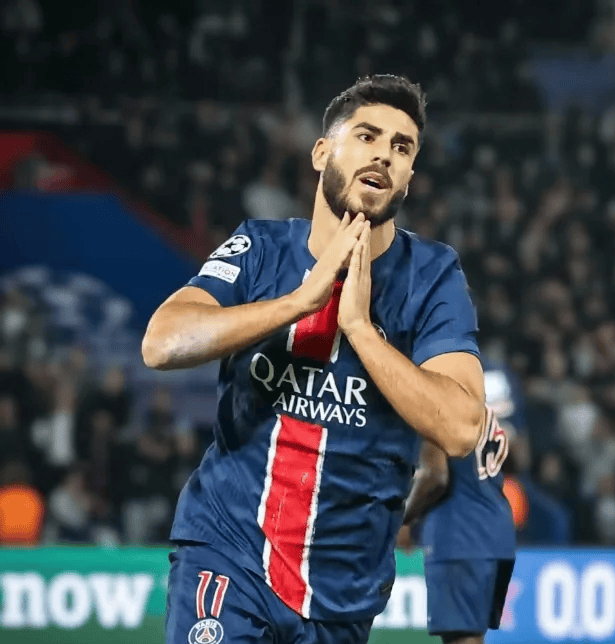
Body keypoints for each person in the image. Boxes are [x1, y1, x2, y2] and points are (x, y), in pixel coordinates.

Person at [142, 74, 486, 644]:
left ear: (410, 175)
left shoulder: (433, 278)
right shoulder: (260, 248)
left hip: (341, 596)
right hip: (228, 553)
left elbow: (460, 428)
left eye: (402, 147)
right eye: (367, 136)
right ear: (322, 152)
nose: (384, 154)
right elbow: (162, 342)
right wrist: (299, 302)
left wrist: (361, 330)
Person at [397, 356, 518, 644]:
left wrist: (402, 518)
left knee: (461, 638)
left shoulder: (440, 404)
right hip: (495, 532)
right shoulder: (480, 407)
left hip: (459, 535)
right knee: (471, 635)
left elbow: (435, 477)